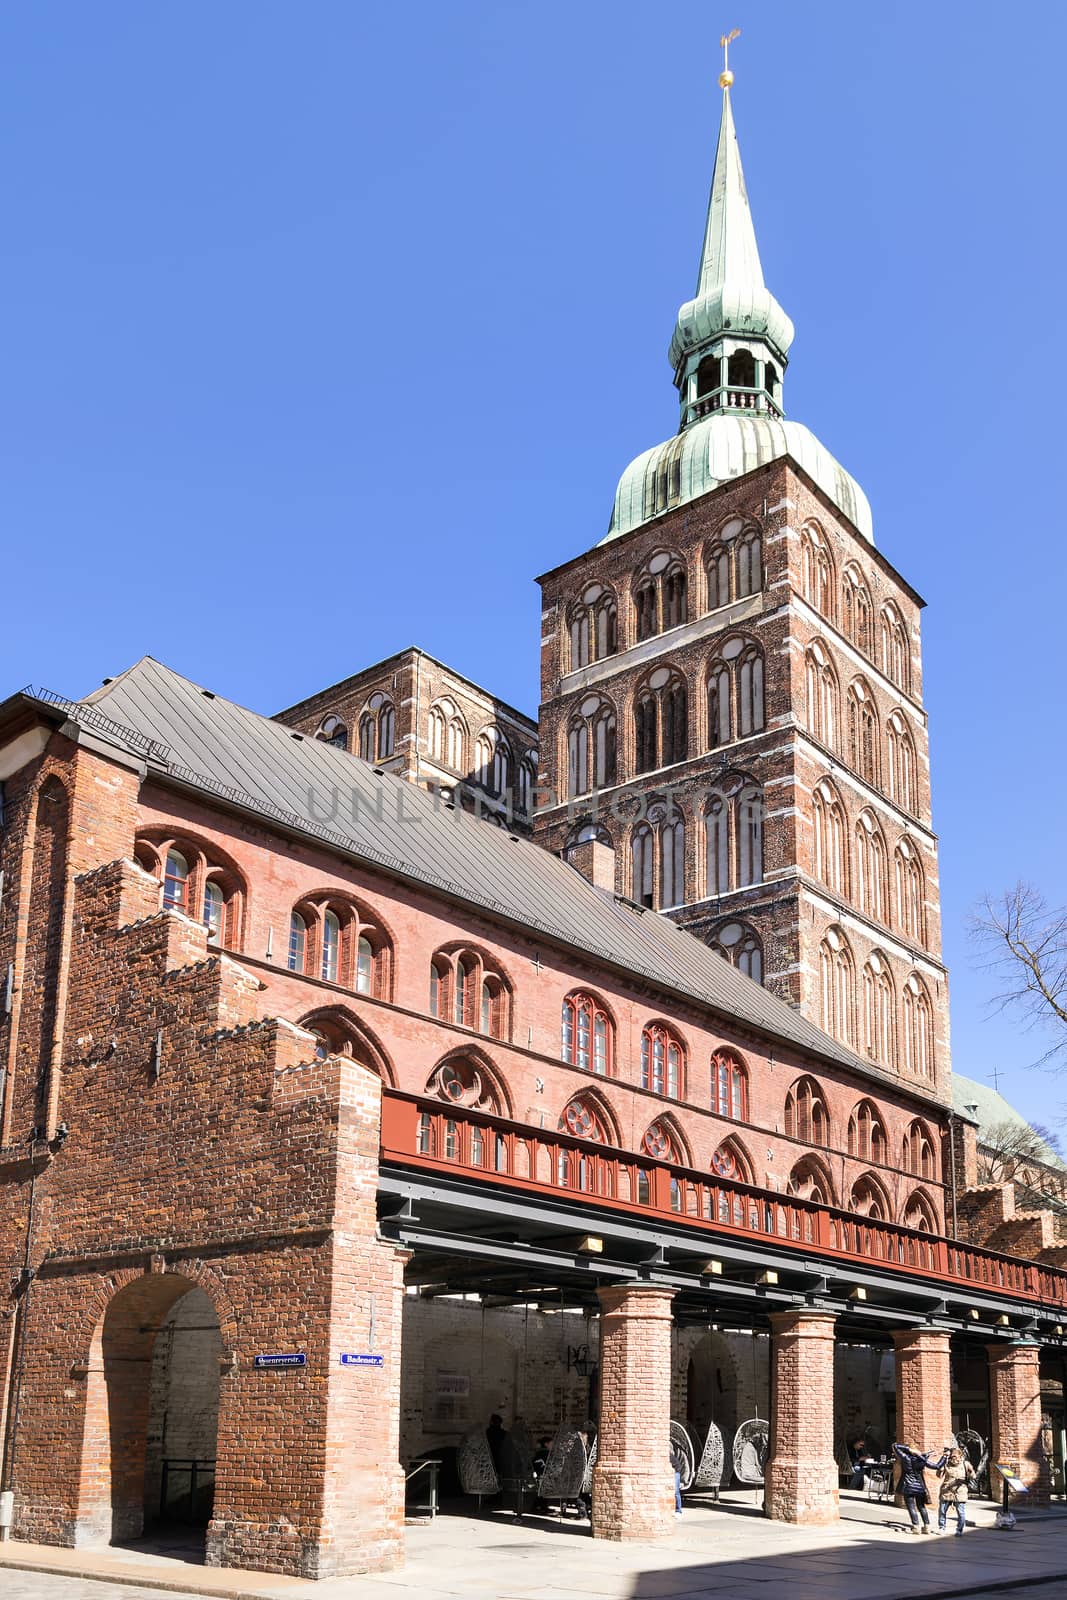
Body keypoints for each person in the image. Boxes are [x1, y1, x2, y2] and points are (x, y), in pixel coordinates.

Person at [893, 1441, 948, 1533]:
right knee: (921, 1506)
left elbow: (895, 1446)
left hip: (908, 1486)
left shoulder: (905, 1457)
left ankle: (916, 1526)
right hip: (920, 1487)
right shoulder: (921, 1459)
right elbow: (936, 1466)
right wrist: (944, 1457)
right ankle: (927, 1526)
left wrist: (909, 1450)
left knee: (911, 1507)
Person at [937, 1445, 975, 1536]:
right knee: (942, 1511)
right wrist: (941, 1466)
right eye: (952, 1456)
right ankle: (942, 1527)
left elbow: (973, 1476)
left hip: (960, 1491)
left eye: (955, 1455)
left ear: (960, 1455)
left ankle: (959, 1530)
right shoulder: (946, 1464)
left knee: (960, 1512)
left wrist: (971, 1474)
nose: (953, 1458)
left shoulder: (966, 1464)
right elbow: (939, 1475)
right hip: (947, 1490)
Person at [669, 1436, 687, 1517]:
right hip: (672, 1472)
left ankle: (678, 1510)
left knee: (676, 1491)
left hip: (676, 1472)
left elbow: (678, 1466)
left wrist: (682, 1479)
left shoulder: (669, 1455)